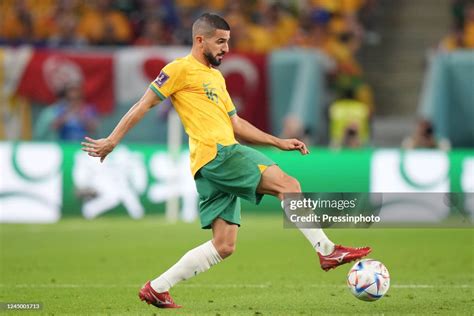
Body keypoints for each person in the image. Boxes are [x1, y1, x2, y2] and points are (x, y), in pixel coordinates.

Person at [81, 13, 371, 309]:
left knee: (224, 246)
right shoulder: (179, 69)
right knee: (289, 184)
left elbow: (236, 123)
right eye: (220, 42)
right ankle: (327, 250)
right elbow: (143, 105)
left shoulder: (216, 77)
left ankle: (157, 287)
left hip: (209, 165)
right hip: (218, 153)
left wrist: (278, 141)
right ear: (199, 40)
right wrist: (112, 140)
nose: (226, 49)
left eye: (227, 42)